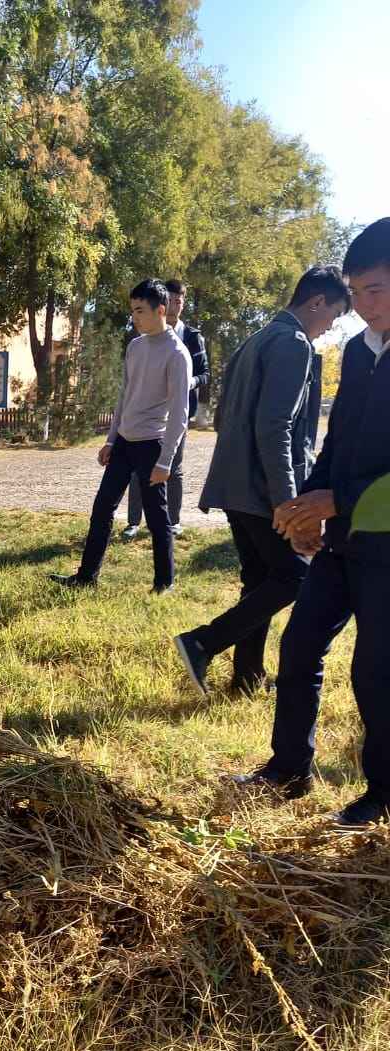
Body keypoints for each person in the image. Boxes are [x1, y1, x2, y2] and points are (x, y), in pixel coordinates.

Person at [234, 219, 390, 828]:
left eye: (376, 291)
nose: (364, 307)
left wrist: (339, 501)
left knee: (375, 671)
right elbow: (337, 440)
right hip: (342, 541)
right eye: (358, 293)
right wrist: (307, 507)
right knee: (298, 646)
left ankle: (381, 795)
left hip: (385, 546)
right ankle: (288, 768)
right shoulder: (357, 351)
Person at [173, 266, 349, 698]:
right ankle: (202, 643)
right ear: (317, 302)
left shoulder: (256, 339)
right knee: (295, 576)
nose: (331, 327)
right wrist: (288, 502)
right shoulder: (293, 344)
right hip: (263, 488)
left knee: (259, 580)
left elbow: (224, 416)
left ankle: (247, 677)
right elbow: (277, 427)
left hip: (235, 483)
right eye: (334, 315)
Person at [50, 278, 191, 595]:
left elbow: (180, 414)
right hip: (124, 444)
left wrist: (165, 461)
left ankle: (164, 584)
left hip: (152, 446)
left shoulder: (177, 354)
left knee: (157, 518)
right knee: (102, 509)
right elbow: (124, 397)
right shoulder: (135, 347)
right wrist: (112, 440)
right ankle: (86, 577)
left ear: (161, 310)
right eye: (133, 311)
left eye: (140, 311)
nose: (134, 317)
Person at [121, 279, 208, 539]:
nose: (174, 305)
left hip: (177, 412)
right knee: (138, 471)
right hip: (147, 418)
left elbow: (204, 374)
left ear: (182, 303)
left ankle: (173, 521)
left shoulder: (191, 337)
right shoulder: (143, 336)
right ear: (162, 303)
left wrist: (186, 383)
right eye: (171, 299)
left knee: (173, 468)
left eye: (179, 301)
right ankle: (133, 521)